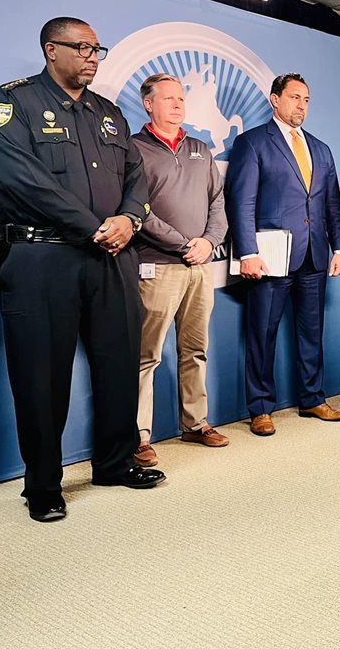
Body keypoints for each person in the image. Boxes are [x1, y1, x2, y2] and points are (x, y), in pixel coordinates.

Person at [0, 17, 166, 522]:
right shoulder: (12, 103)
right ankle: (42, 484)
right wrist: (93, 226)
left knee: (118, 362)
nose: (92, 56)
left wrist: (129, 220)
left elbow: (136, 176)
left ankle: (114, 461)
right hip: (43, 258)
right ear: (50, 49)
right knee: (40, 374)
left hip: (112, 257)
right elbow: (20, 180)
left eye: (97, 48)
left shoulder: (109, 114)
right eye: (81, 47)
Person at [226, 73, 340, 436]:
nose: (302, 106)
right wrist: (247, 251)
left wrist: (339, 248)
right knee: (262, 334)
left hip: (314, 255)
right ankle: (261, 408)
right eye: (295, 97)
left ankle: (313, 398)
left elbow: (330, 205)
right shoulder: (252, 143)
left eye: (307, 99)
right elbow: (241, 202)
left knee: (313, 333)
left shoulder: (321, 148)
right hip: (270, 257)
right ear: (275, 99)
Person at [130, 73, 229, 467]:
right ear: (148, 104)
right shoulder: (133, 149)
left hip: (201, 266)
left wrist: (208, 242)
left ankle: (195, 423)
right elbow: (137, 208)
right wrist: (182, 243)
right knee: (146, 355)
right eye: (167, 98)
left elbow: (218, 202)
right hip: (158, 265)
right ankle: (138, 435)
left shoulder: (200, 149)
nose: (177, 104)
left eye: (181, 98)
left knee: (196, 350)